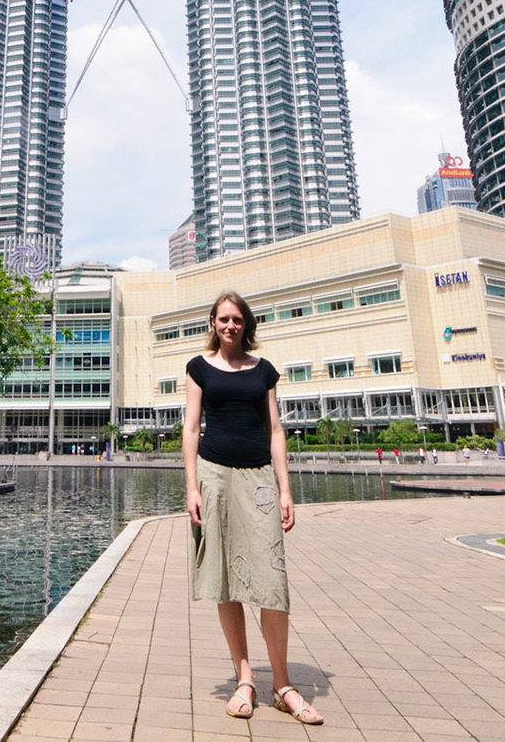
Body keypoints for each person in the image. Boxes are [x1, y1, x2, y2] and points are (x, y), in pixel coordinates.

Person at [183, 291, 322, 726]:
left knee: (271, 578)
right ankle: (244, 677)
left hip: (259, 476)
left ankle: (282, 685)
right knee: (224, 578)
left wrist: (286, 489)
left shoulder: (263, 370)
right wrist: (191, 486)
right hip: (214, 476)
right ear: (212, 322)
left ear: (247, 324)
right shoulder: (198, 368)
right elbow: (190, 428)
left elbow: (276, 429)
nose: (230, 326)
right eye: (223, 319)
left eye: (237, 319)